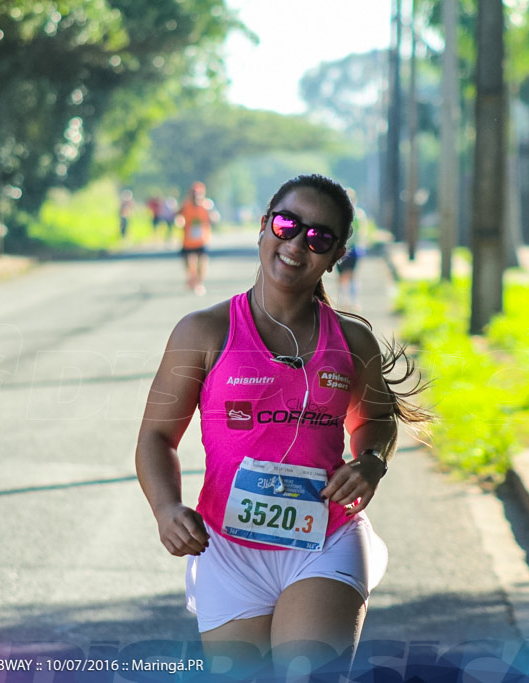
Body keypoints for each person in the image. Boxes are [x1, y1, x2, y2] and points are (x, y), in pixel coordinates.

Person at [135, 174, 430, 675]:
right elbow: (156, 438)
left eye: (318, 238)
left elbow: (376, 421)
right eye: (287, 224)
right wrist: (166, 509)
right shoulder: (204, 331)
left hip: (325, 541)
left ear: (336, 255)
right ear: (263, 227)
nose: (296, 244)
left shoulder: (353, 340)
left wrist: (371, 462)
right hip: (228, 550)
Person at [176, 181, 219, 295]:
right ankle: (191, 278)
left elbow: (214, 218)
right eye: (194, 194)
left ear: (202, 194)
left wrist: (213, 217)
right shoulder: (186, 205)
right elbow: (177, 215)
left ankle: (199, 283)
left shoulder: (206, 205)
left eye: (198, 194)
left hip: (202, 239)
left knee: (202, 261)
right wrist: (179, 220)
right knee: (188, 262)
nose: (196, 196)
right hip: (188, 240)